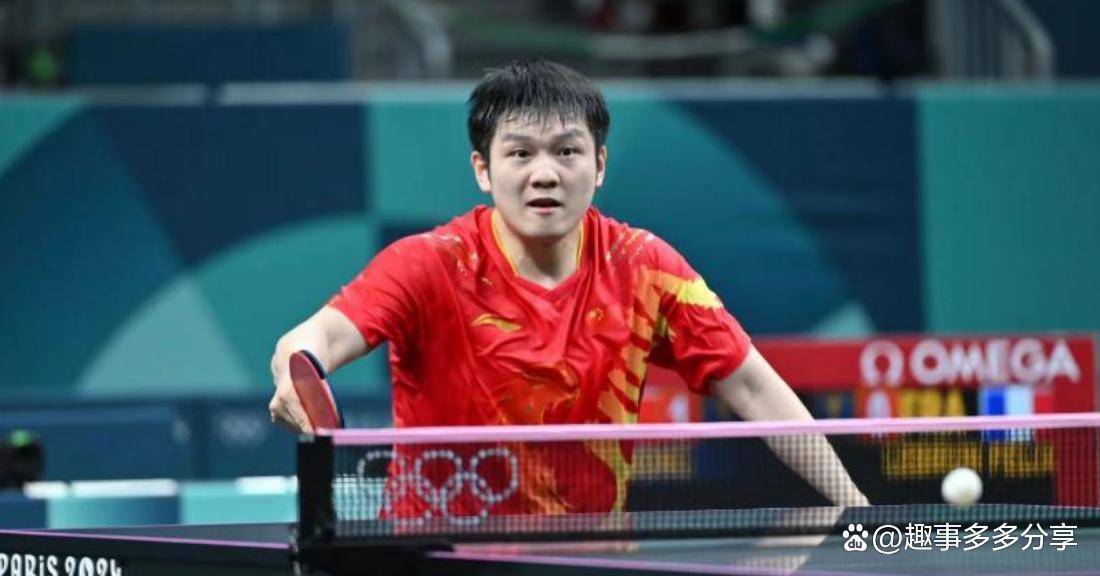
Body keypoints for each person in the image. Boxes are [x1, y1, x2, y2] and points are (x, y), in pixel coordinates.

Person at [269, 59, 868, 513]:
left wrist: (858, 514)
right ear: (483, 170)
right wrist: (296, 370)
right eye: (520, 153)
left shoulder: (645, 267)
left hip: (584, 556)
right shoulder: (430, 264)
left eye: (566, 151)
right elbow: (316, 339)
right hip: (435, 555)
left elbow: (754, 387)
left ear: (599, 165)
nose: (545, 174)